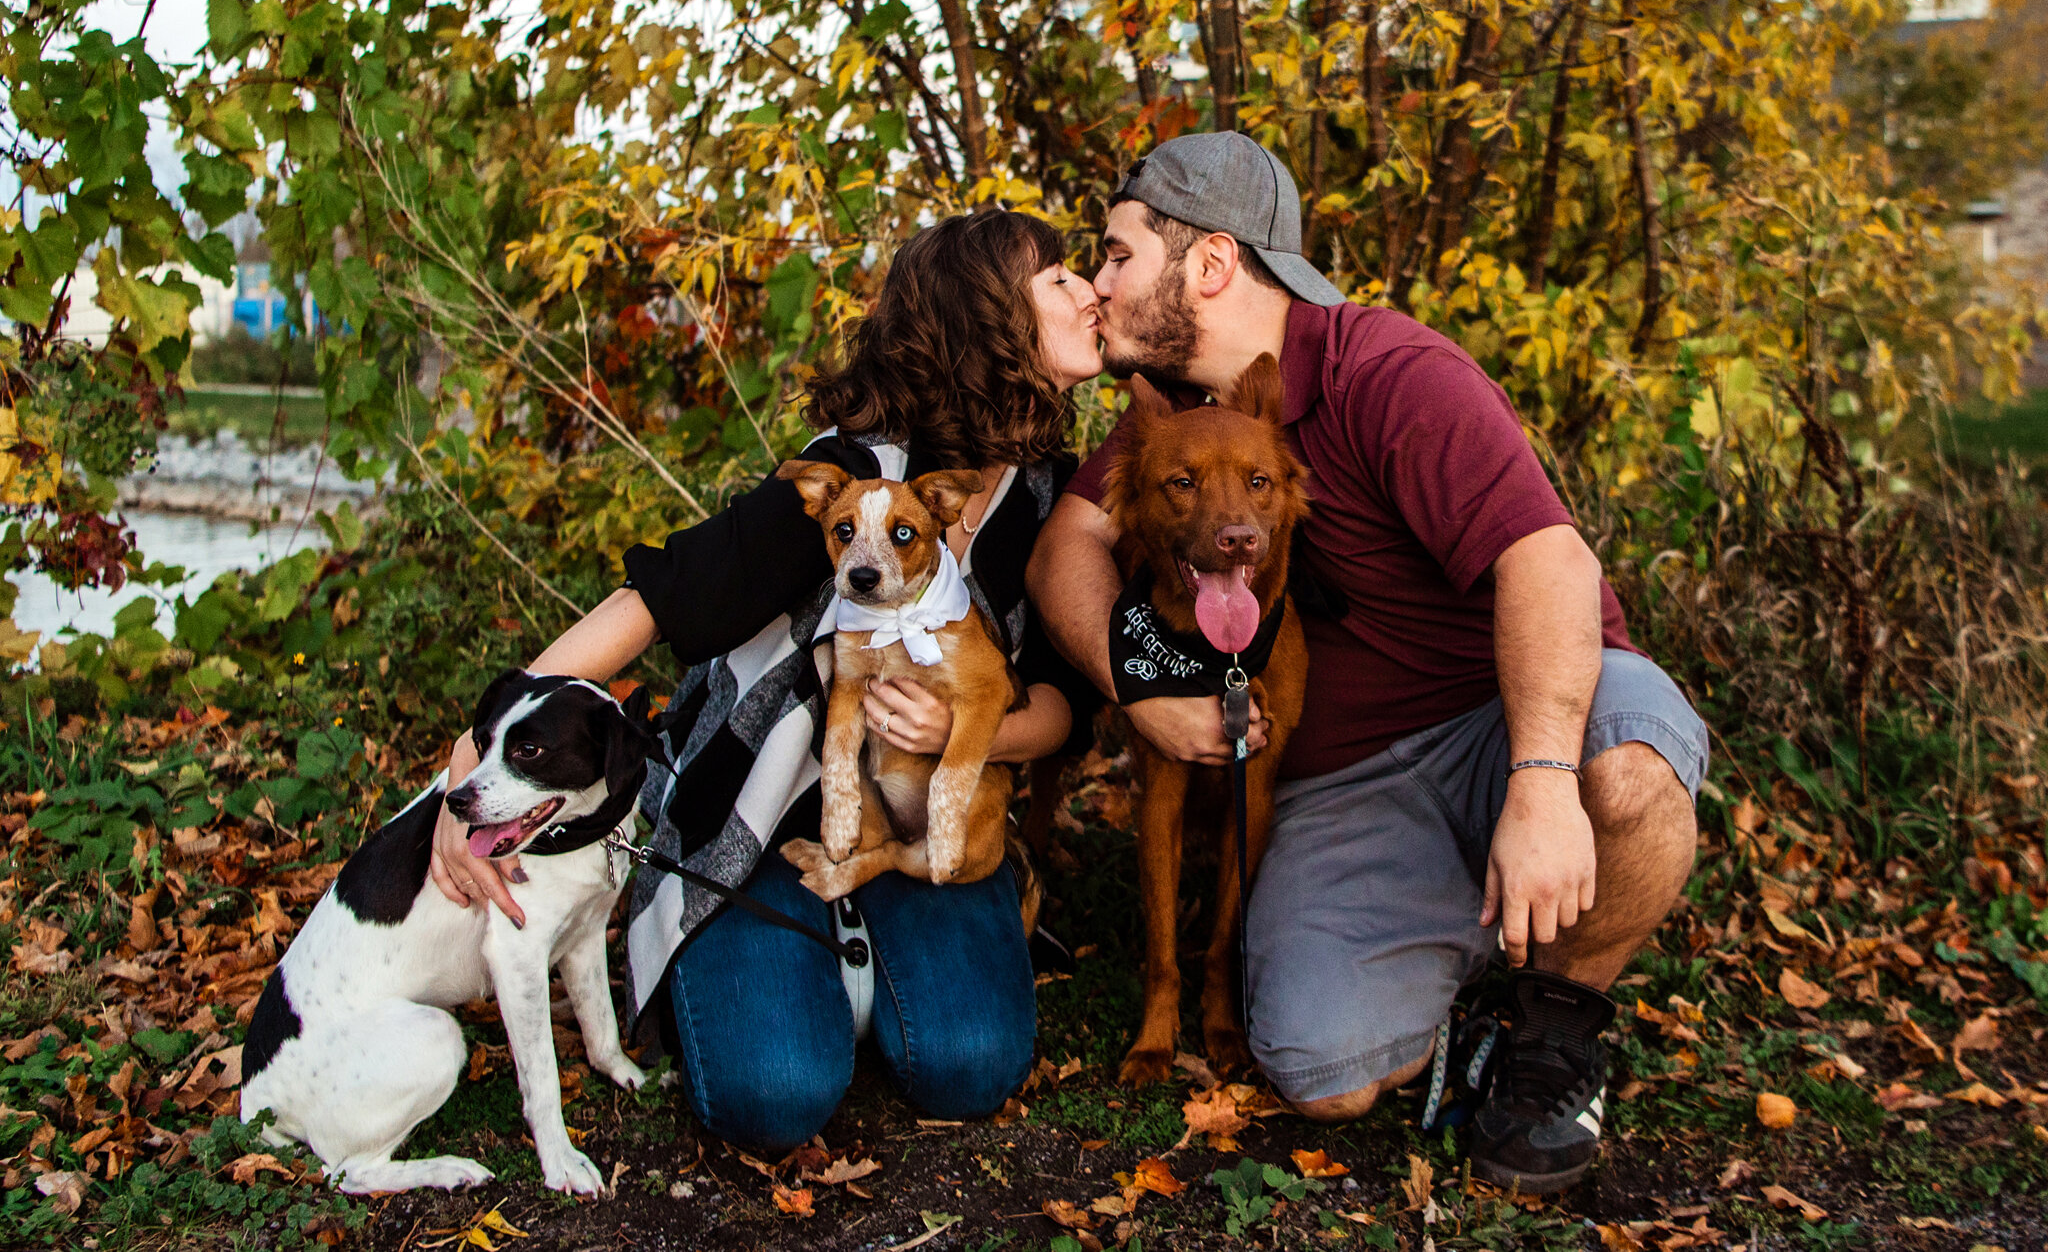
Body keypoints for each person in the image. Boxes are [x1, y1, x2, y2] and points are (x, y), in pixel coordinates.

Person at [1027, 132, 1705, 1193]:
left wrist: (1534, 777)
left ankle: (1554, 1028)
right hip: (1343, 789)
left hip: (1502, 720)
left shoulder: (1387, 371)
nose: (1098, 285)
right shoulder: (1182, 418)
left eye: (1115, 255)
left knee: (1627, 773)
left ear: (1207, 265)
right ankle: (1469, 944)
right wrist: (1139, 691)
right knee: (1318, 1065)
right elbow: (1063, 548)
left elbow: (1548, 560)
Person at [429, 209, 1103, 1151]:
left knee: (971, 1065)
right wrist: (479, 741)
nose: (1090, 290)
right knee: (774, 1093)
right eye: (1060, 276)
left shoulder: (1044, 497)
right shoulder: (852, 473)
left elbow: (1064, 706)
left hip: (922, 814)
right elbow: (661, 601)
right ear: (991, 317)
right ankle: (733, 944)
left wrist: (963, 730)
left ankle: (874, 948)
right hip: (768, 807)